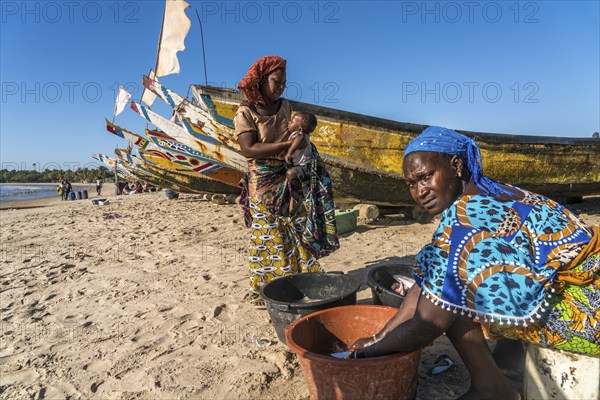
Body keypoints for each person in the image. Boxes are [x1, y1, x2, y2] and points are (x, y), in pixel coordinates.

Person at [348, 127, 599, 399]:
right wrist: (381, 335)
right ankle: (503, 366)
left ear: (456, 165)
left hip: (588, 312)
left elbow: (426, 326)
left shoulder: (465, 222)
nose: (420, 191)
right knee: (449, 283)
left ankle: (491, 389)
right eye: (411, 183)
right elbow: (428, 281)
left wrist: (360, 355)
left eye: (426, 176)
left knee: (451, 301)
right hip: (580, 287)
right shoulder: (491, 191)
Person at [235, 55, 339, 305]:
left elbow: (299, 134)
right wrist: (286, 145)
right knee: (268, 234)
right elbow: (248, 149)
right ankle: (267, 290)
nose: (280, 86)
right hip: (262, 181)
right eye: (275, 81)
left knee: (296, 229)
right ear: (260, 81)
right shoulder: (245, 111)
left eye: (283, 82)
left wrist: (297, 152)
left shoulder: (285, 107)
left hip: (289, 175)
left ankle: (302, 281)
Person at [284, 111, 318, 191]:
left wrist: (289, 153)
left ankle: (301, 188)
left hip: (304, 167)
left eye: (292, 122)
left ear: (299, 129)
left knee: (290, 173)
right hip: (303, 167)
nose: (289, 122)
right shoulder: (304, 136)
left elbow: (300, 138)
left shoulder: (300, 135)